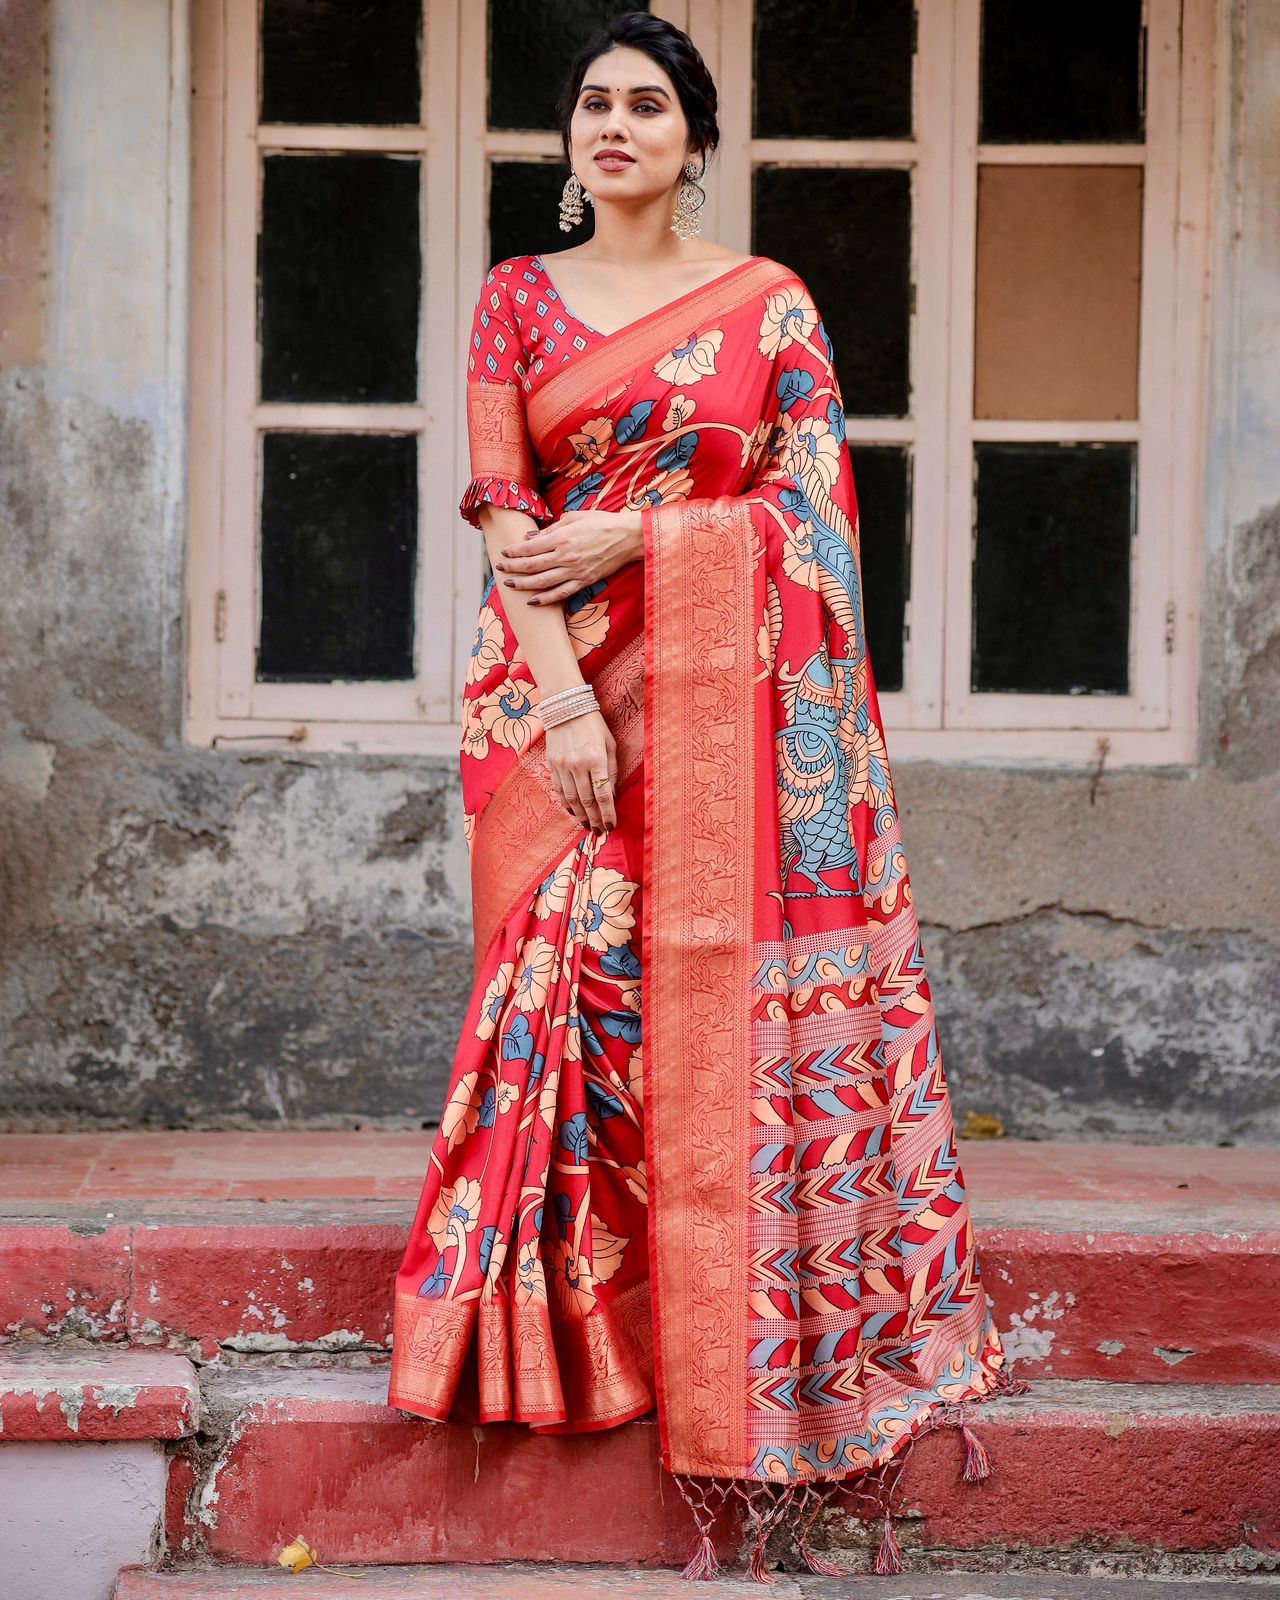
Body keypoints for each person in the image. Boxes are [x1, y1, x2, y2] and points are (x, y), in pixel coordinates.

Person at [388, 10, 1028, 1581]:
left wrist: (638, 543)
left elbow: (810, 508)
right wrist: (556, 699)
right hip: (546, 694)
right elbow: (500, 506)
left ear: (696, 139)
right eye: (594, 104)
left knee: (695, 1005)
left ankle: (716, 1330)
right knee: (573, 989)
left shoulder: (769, 306)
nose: (616, 126)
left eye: (649, 107)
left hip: (721, 700)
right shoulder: (517, 300)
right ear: (569, 141)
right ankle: (561, 1341)